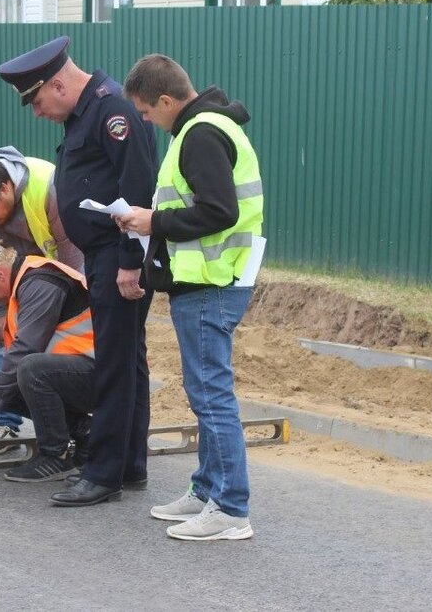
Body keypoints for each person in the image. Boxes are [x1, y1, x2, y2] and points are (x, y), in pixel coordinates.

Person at [0, 36, 157, 507]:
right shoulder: (86, 113)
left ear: (59, 84)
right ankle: (129, 465)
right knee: (127, 360)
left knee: (114, 364)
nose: (37, 112)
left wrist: (129, 263)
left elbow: (137, 189)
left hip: (118, 254)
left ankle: (104, 473)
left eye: (37, 101)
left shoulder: (112, 113)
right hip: (107, 254)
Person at [118, 53, 264, 541]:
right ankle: (206, 491)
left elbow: (219, 211)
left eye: (145, 111)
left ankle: (230, 508)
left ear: (165, 100)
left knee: (211, 397)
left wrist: (152, 222)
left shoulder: (200, 134)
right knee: (206, 394)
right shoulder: (204, 127)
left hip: (210, 282)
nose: (144, 120)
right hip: (210, 279)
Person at [0, 147, 84, 451]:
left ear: (5, 188)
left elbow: (73, 256)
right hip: (12, 273)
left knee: (32, 358)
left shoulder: (47, 186)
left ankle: (64, 433)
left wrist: (66, 301)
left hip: (52, 275)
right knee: (8, 341)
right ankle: (6, 423)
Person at [0, 243, 95, 483]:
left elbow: (27, 349)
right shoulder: (22, 286)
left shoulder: (40, 281)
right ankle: (87, 433)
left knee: (29, 370)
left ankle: (55, 456)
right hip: (81, 372)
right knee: (7, 387)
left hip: (105, 375)